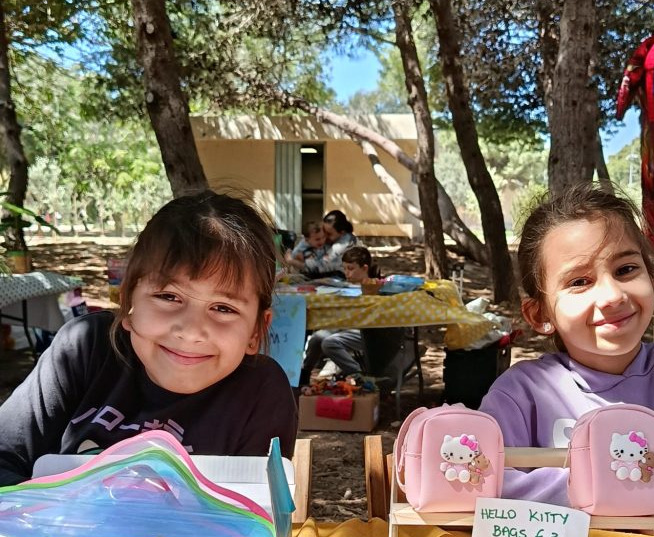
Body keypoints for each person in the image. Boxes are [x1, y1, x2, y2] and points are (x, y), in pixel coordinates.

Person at [479, 182, 654, 537]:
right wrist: (621, 485)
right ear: (540, 315)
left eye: (626, 269)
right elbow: (482, 490)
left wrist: (646, 514)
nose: (613, 295)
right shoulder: (521, 394)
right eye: (580, 281)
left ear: (651, 276)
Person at [0, 191, 298, 485]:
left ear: (255, 330)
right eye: (169, 296)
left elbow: (252, 509)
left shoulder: (261, 393)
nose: (191, 331)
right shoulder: (84, 349)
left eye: (223, 308)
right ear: (128, 302)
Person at [299, 245, 375, 384]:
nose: (347, 273)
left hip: (365, 331)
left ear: (364, 268)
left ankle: (357, 374)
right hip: (344, 326)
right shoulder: (345, 287)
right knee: (317, 338)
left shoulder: (373, 287)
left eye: (351, 269)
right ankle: (304, 373)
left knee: (329, 343)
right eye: (344, 268)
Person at [303, 209, 358, 277]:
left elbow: (323, 264)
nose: (324, 236)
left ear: (342, 233)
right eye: (324, 231)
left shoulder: (343, 243)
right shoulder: (330, 240)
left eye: (329, 234)